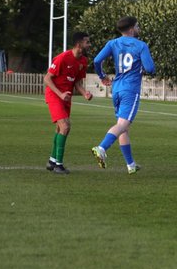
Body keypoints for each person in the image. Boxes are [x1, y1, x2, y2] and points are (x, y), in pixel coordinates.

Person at [91, 16, 155, 173]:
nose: (139, 28)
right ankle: (101, 148)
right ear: (132, 29)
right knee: (122, 125)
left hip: (117, 88)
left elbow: (97, 61)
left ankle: (131, 165)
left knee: (123, 127)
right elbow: (150, 68)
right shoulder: (141, 45)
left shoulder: (112, 43)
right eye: (138, 26)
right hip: (130, 90)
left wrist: (102, 76)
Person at [44, 31, 94, 174]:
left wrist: (85, 93)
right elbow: (47, 79)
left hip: (66, 96)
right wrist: (60, 94)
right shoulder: (62, 58)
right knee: (65, 126)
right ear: (79, 44)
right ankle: (58, 165)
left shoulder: (83, 61)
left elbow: (77, 82)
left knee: (61, 128)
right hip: (55, 95)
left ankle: (52, 161)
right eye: (87, 42)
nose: (89, 45)